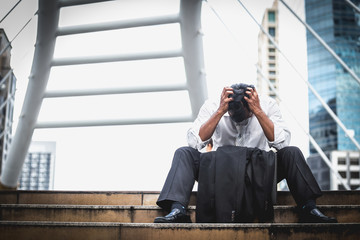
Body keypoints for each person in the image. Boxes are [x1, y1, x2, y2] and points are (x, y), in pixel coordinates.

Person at [154, 83, 337, 223]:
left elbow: (283, 143)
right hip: (220, 176)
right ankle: (177, 210)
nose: (238, 120)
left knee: (292, 152)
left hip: (259, 175)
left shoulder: (267, 105)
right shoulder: (213, 106)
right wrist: (220, 112)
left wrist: (258, 111)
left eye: (245, 115)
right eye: (233, 115)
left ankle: (308, 208)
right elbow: (193, 142)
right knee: (184, 153)